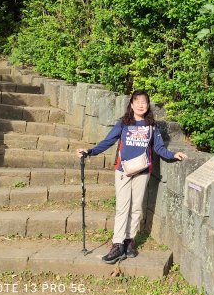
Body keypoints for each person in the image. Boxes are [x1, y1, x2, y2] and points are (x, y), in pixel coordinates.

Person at [76, 90, 187, 264]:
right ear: (132, 104)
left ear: (148, 105)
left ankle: (129, 241)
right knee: (122, 207)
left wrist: (173, 155)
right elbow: (108, 141)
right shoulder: (123, 123)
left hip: (143, 171)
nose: (141, 105)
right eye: (138, 101)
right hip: (123, 171)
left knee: (136, 208)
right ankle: (117, 243)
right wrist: (90, 151)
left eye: (145, 102)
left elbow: (158, 148)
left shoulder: (152, 126)